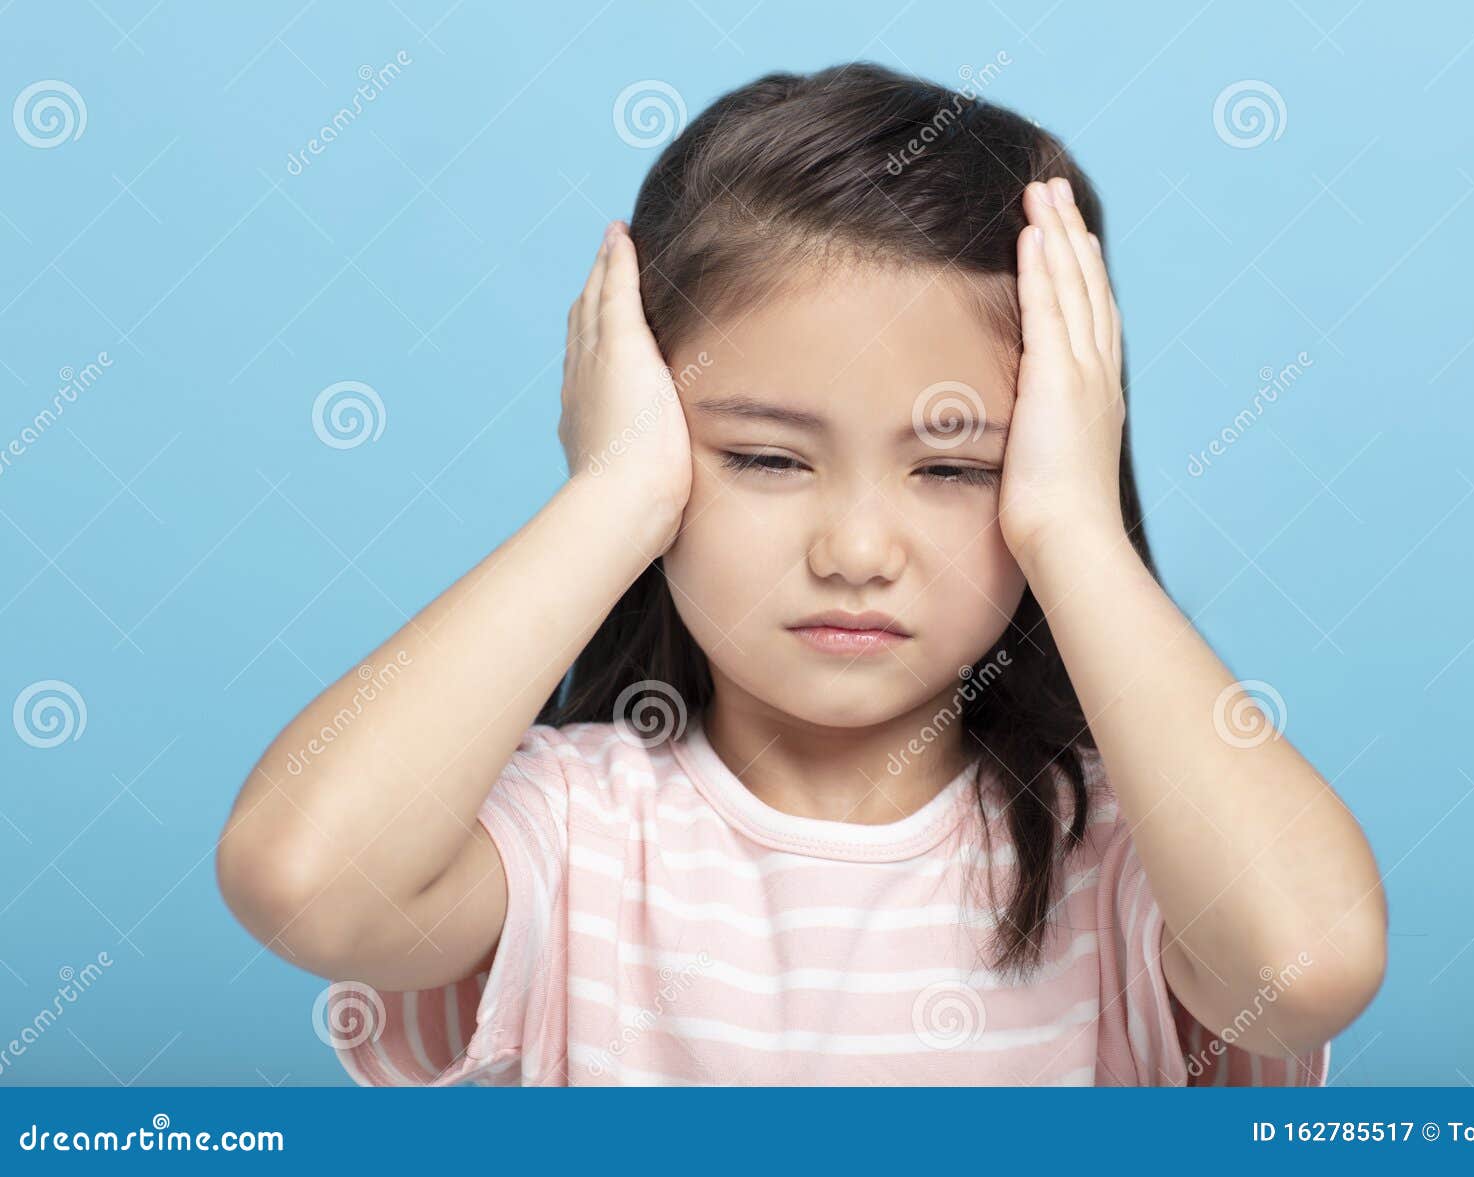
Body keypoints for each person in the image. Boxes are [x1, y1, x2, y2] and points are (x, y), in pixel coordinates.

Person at [217, 62, 1387, 1086]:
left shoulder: (1135, 855)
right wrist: (611, 494)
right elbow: (304, 878)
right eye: (766, 458)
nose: (856, 553)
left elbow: (1309, 965)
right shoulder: (574, 831)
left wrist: (1076, 528)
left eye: (953, 468)